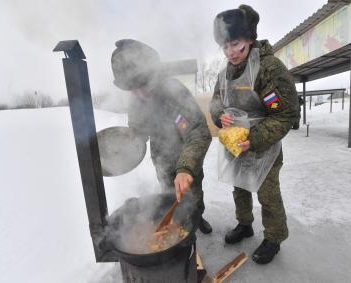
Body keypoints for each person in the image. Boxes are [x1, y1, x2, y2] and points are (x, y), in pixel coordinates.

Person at [209, 5, 299, 264]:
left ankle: (274, 237)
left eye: (235, 44)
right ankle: (244, 224)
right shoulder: (225, 71)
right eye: (224, 47)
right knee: (239, 187)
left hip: (263, 145)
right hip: (235, 143)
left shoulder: (269, 68)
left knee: (267, 194)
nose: (230, 52)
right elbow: (216, 102)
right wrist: (220, 116)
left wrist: (255, 139)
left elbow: (285, 114)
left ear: (249, 38)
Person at [111, 39, 213, 234]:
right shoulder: (136, 99)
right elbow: (137, 129)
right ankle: (178, 224)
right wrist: (129, 143)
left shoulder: (174, 92)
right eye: (134, 89)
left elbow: (198, 132)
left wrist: (186, 168)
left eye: (144, 84)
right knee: (168, 195)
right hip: (161, 157)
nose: (140, 93)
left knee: (193, 193)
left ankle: (197, 217)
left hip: (187, 152)